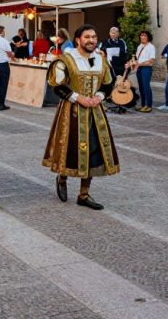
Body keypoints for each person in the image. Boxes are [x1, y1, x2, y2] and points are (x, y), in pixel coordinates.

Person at [43, 24, 119, 209]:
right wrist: (78, 98)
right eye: (87, 37)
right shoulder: (66, 59)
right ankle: (62, 178)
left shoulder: (101, 59)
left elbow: (109, 83)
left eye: (93, 37)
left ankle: (84, 194)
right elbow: (57, 85)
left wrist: (99, 97)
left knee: (93, 150)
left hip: (95, 112)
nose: (91, 40)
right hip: (71, 112)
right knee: (70, 149)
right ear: (78, 40)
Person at [131, 30, 156, 113]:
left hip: (146, 69)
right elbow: (137, 58)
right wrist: (133, 63)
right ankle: (143, 105)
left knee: (146, 86)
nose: (142, 37)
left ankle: (148, 106)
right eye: (141, 35)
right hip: (139, 69)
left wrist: (139, 64)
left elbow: (151, 61)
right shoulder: (139, 46)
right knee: (141, 87)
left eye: (144, 35)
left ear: (148, 37)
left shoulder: (151, 47)